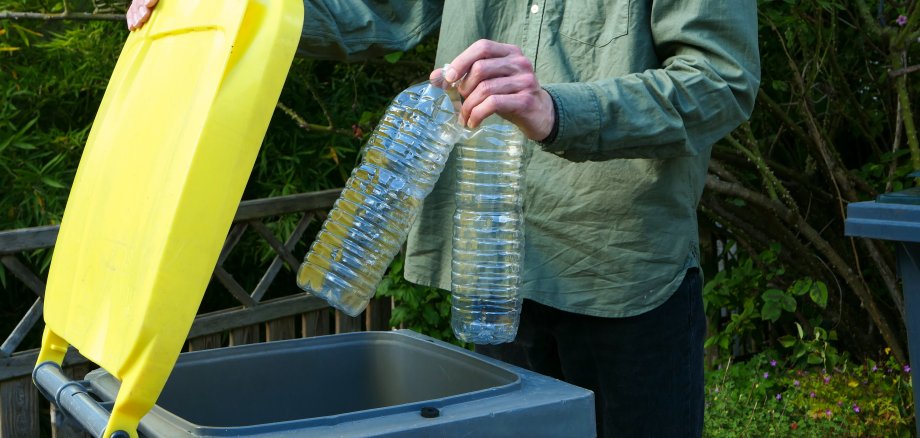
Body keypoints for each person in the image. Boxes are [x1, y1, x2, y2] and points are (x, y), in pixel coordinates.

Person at [128, 1, 760, 436]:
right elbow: (384, 13)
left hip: (621, 273)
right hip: (490, 273)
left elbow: (720, 81)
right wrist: (228, 7)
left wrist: (557, 109)